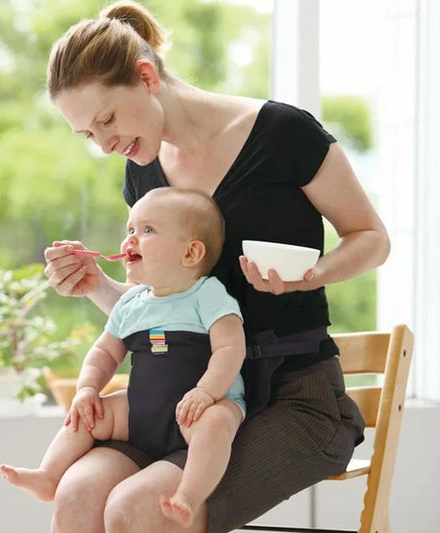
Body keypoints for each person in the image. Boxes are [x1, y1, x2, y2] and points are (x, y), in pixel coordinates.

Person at [42, 1, 390, 532]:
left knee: (136, 510)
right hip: (180, 402)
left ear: (147, 76)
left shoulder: (283, 134)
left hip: (293, 400)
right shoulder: (143, 174)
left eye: (107, 118)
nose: (105, 143)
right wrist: (98, 286)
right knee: (76, 496)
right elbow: (163, 309)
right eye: (88, 134)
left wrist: (313, 275)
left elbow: (372, 238)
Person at [0, 187, 247, 528]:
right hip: (141, 411)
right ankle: (49, 474)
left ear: (190, 253)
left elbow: (230, 349)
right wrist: (87, 390)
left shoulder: (208, 295)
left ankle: (188, 494)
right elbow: (104, 351)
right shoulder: (133, 304)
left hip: (199, 409)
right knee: (88, 414)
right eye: (130, 229)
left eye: (147, 231)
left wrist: (206, 392)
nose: (131, 239)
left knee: (217, 424)